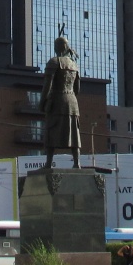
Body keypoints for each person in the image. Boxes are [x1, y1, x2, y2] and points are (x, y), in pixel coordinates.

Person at [41, 30, 83, 169]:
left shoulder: (53, 62)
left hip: (57, 100)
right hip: (72, 102)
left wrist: (42, 102)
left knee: (51, 130)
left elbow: (48, 85)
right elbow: (77, 89)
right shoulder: (74, 65)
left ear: (56, 47)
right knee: (73, 133)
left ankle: (48, 164)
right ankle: (77, 163)